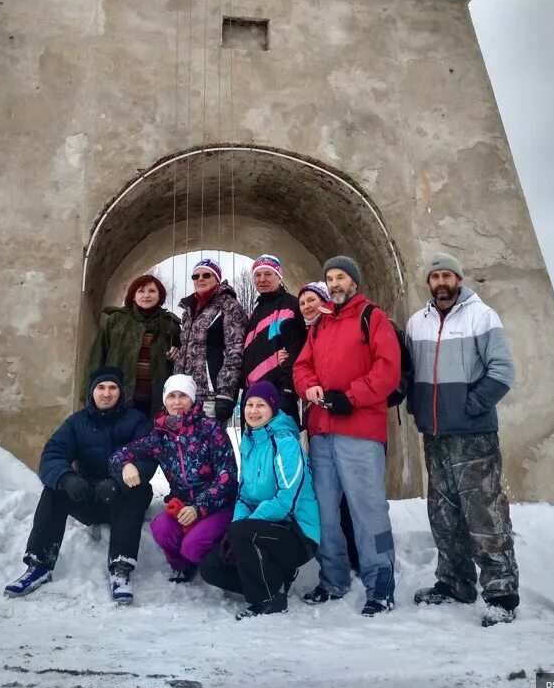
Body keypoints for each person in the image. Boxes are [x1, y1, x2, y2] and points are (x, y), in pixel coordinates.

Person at [406, 253, 519, 627]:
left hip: (473, 434)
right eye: (435, 276)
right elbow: (409, 371)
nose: (441, 282)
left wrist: (472, 405)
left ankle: (501, 592)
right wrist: (418, 407)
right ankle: (455, 582)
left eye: (447, 275)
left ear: (458, 279)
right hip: (434, 435)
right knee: (443, 514)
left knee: (484, 512)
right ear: (429, 283)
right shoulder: (417, 323)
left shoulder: (481, 316)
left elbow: (503, 370)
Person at [293, 256, 401, 616]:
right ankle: (333, 577)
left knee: (369, 509)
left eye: (341, 277)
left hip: (360, 430)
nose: (335, 283)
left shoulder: (373, 317)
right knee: (326, 510)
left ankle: (381, 580)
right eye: (330, 278)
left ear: (354, 282)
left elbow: (388, 370)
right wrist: (309, 388)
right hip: (322, 431)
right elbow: (301, 366)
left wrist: (351, 397)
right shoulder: (319, 325)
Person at [4, 366, 155, 605]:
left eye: (113, 388)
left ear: (120, 392)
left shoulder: (136, 421)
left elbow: (147, 457)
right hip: (89, 494)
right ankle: (39, 564)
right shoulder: (76, 423)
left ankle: (121, 569)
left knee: (139, 490)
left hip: (122, 497)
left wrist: (117, 484)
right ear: (92, 392)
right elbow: (52, 455)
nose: (106, 393)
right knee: (54, 489)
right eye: (101, 388)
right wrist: (67, 479)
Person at [199, 381, 320, 620]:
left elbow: (287, 499)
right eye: (249, 405)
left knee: (241, 533)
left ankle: (268, 599)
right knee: (211, 567)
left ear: (273, 408)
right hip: (261, 530)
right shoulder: (250, 441)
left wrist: (242, 529)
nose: (253, 411)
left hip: (297, 532)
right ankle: (275, 580)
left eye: (260, 405)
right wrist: (235, 531)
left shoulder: (285, 442)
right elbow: (244, 495)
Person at [109, 374, 238, 583]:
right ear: (164, 400)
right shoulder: (160, 436)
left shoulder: (211, 429)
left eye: (182, 396)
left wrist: (199, 507)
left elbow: (227, 476)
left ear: (192, 399)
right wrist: (126, 465)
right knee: (160, 528)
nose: (176, 402)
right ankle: (183, 567)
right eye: (171, 396)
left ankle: (220, 565)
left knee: (192, 547)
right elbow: (118, 455)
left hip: (218, 505)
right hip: (182, 506)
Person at [84, 273, 181, 419]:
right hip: (120, 397)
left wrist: (177, 353)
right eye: (141, 291)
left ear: (160, 295)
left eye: (152, 291)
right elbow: (97, 356)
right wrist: (89, 393)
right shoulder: (116, 320)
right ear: (133, 295)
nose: (146, 295)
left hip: (156, 400)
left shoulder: (170, 324)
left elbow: (182, 358)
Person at [174, 259, 247, 422]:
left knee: (210, 444)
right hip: (186, 392)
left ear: (217, 279)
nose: (200, 279)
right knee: (184, 444)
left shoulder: (228, 306)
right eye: (196, 276)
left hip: (210, 393)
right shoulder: (189, 309)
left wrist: (226, 392)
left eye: (206, 275)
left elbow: (235, 350)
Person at [241, 254, 307, 423]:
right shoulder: (256, 310)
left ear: (279, 276)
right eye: (257, 275)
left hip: (278, 392)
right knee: (253, 447)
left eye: (268, 274)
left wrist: (287, 388)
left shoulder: (291, 305)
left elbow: (297, 348)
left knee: (282, 445)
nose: (262, 279)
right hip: (253, 394)